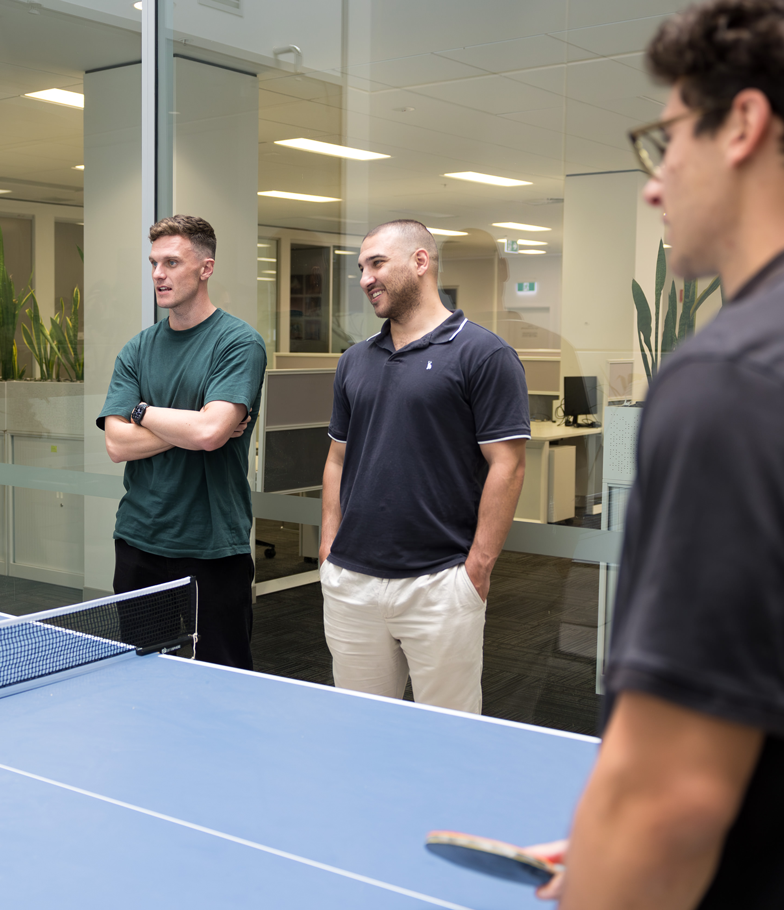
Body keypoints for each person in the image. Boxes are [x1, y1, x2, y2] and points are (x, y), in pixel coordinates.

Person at [529, 2, 784, 906]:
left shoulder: (729, 377)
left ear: (743, 124)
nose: (652, 182)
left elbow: (666, 799)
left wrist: (620, 865)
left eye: (665, 139)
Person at [318, 219, 528, 713]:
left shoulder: (484, 353)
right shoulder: (355, 360)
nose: (365, 278)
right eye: (361, 268)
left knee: (448, 742)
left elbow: (508, 466)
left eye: (376, 264)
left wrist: (477, 568)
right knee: (358, 733)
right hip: (352, 582)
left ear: (420, 262)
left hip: (440, 584)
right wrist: (328, 545)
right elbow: (336, 458)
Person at [98, 215, 267, 668]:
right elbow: (116, 444)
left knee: (222, 678)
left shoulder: (237, 344)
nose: (158, 274)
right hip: (139, 541)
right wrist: (192, 428)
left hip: (213, 545)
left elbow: (213, 434)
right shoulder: (136, 349)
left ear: (205, 268)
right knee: (144, 673)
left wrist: (141, 413)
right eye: (154, 263)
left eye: (172, 262)